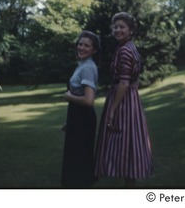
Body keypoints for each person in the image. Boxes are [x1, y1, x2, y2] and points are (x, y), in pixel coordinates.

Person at [95, 12, 152, 187]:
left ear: (131, 30)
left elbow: (124, 83)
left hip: (124, 102)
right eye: (115, 26)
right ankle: (128, 182)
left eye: (122, 27)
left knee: (125, 140)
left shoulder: (125, 51)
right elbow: (133, 79)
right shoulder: (129, 47)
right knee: (129, 141)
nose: (118, 30)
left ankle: (127, 184)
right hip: (130, 100)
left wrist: (112, 110)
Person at [61, 30, 101, 188]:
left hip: (83, 120)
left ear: (94, 50)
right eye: (80, 44)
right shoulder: (82, 65)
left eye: (87, 45)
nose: (81, 47)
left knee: (79, 164)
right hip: (77, 118)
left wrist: (69, 97)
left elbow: (89, 100)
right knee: (75, 162)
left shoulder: (87, 68)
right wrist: (69, 121)